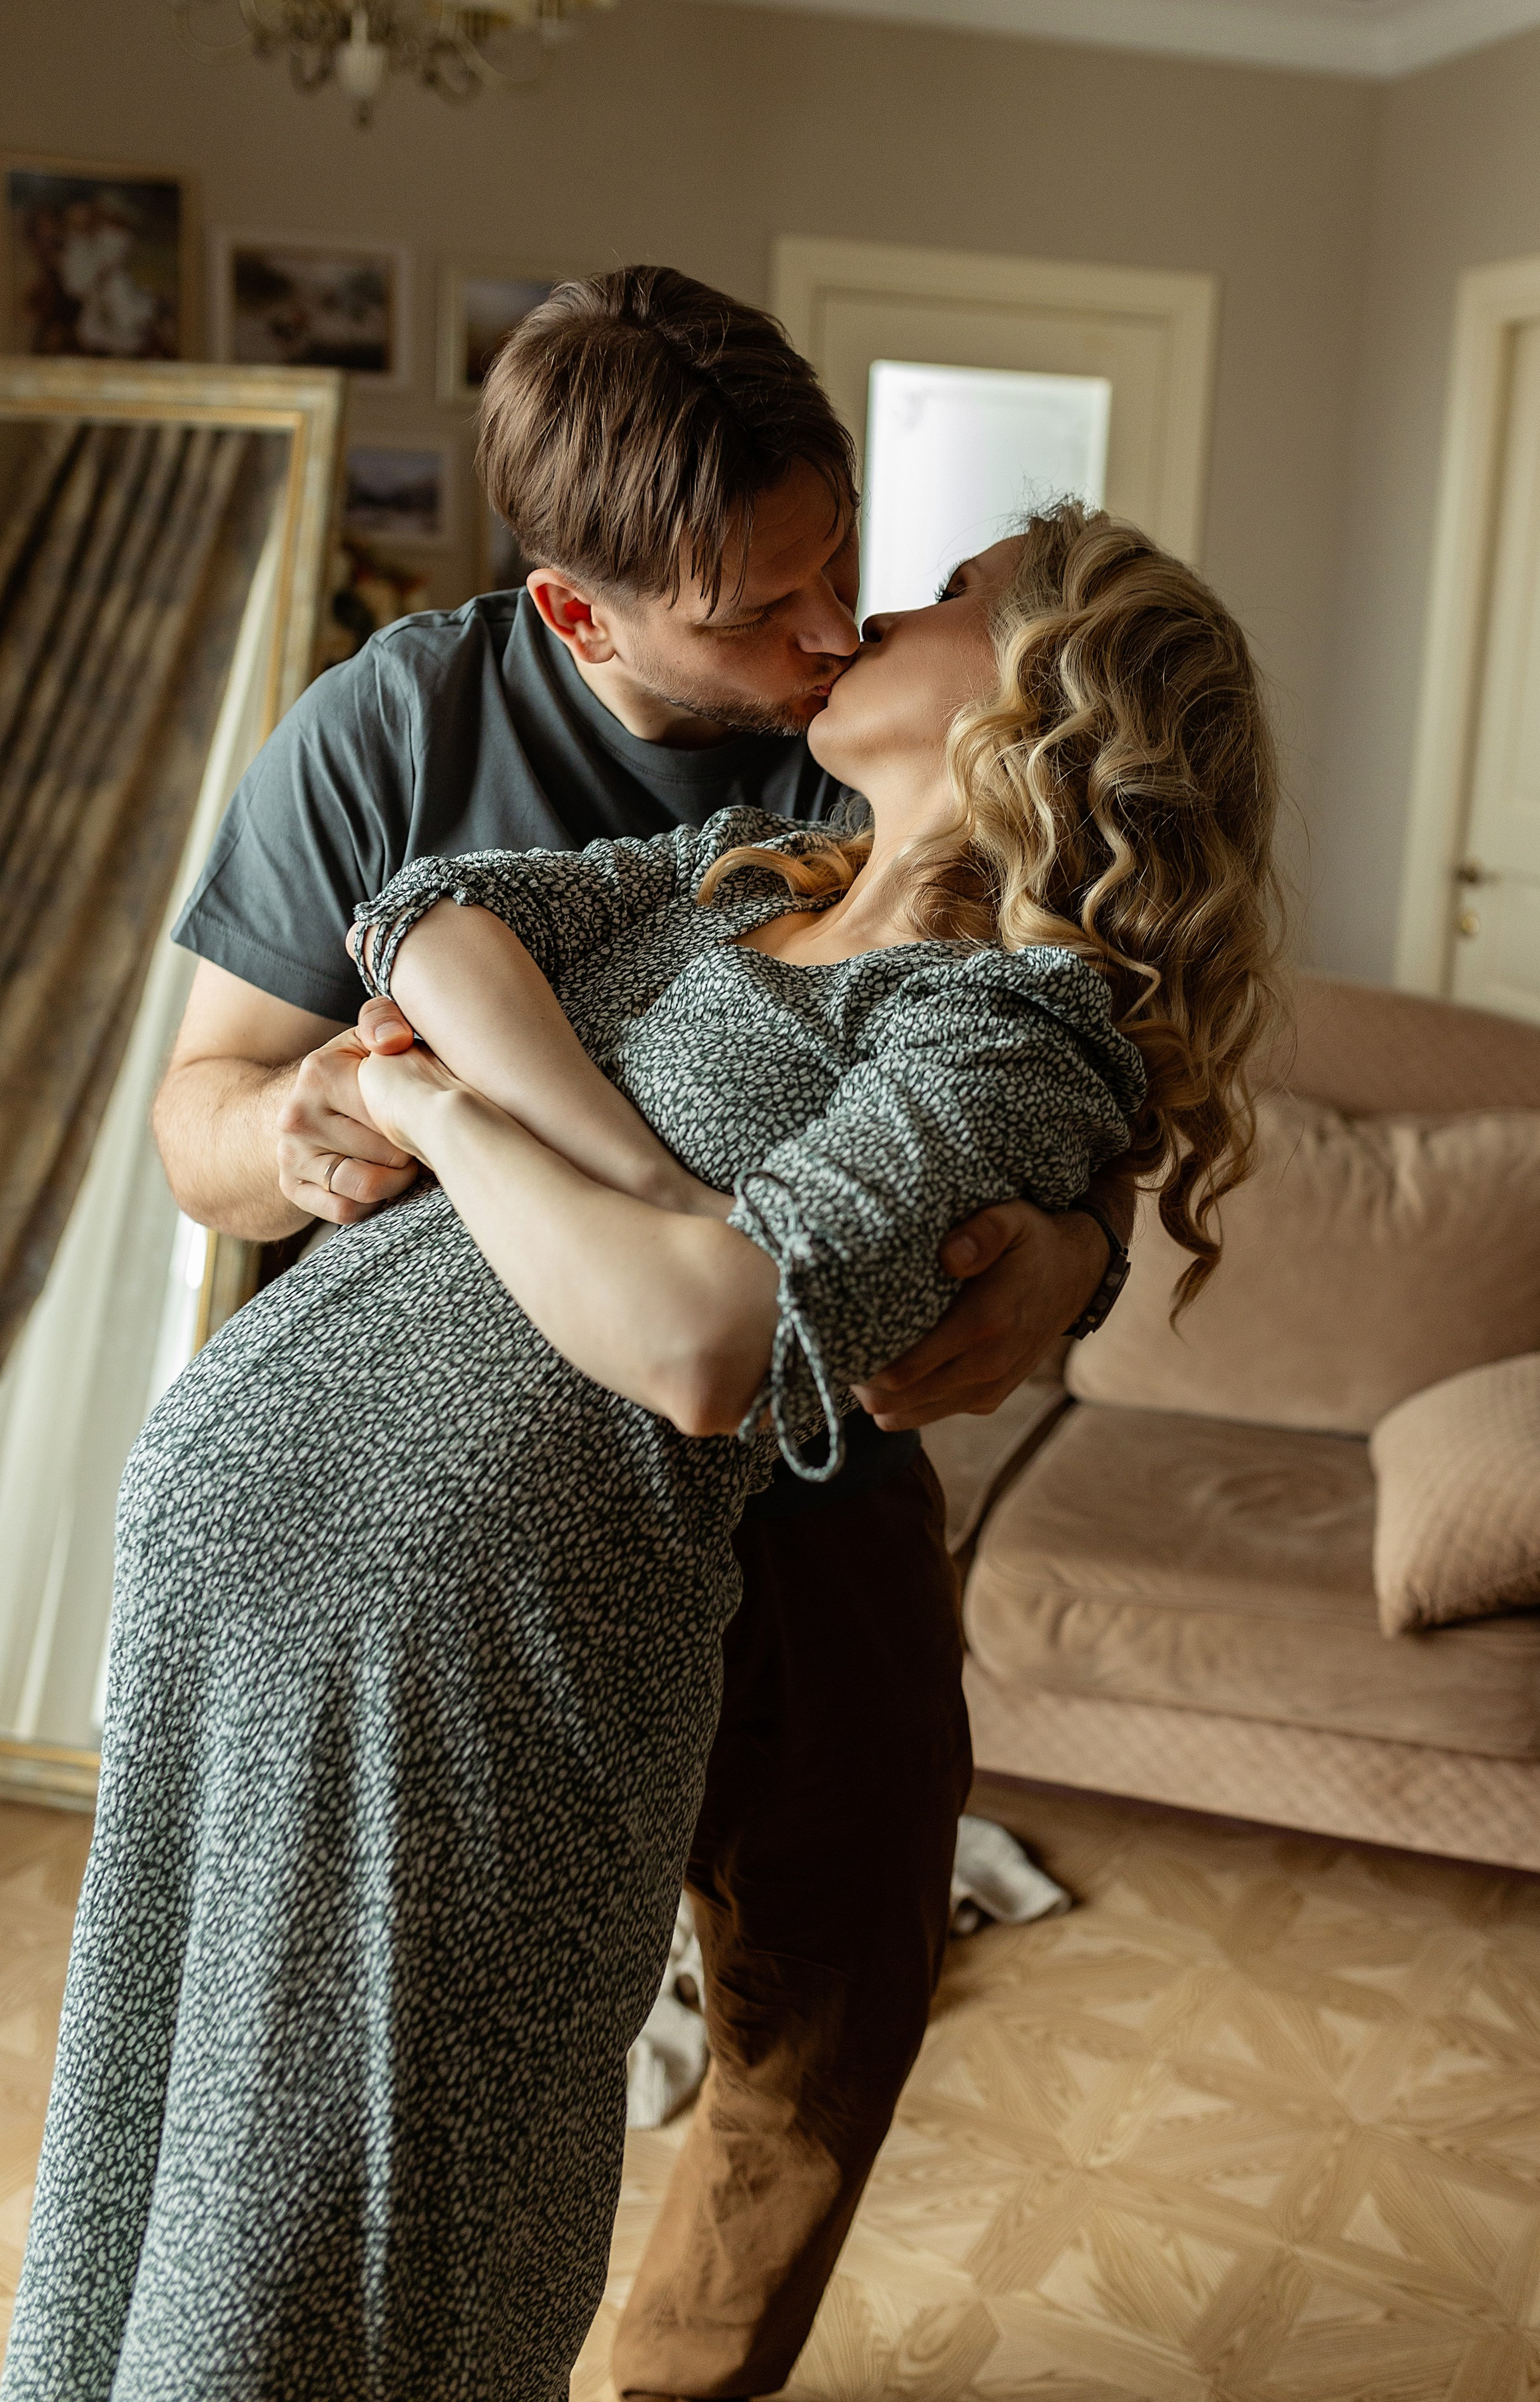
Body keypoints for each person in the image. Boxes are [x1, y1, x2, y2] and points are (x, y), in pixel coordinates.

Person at [5, 502, 1281, 2402]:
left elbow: (709, 1340)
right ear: (589, 602)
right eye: (767, 599)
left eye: (912, 590)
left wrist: (452, 1120)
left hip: (529, 1628)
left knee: (379, 2238)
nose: (844, 621)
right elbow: (421, 924)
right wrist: (638, 1187)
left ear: (1052, 700)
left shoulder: (996, 1014)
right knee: (167, 2159)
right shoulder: (684, 844)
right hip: (255, 1603)